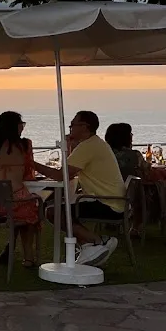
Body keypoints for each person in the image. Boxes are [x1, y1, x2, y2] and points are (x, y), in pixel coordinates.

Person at [33, 110, 123, 267]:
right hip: (114, 200)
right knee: (62, 207)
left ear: (84, 127)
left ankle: (98, 240)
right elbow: (67, 171)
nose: (70, 127)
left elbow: (61, 176)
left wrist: (31, 163)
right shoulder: (94, 144)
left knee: (54, 212)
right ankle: (89, 246)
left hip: (107, 203)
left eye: (73, 124)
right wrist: (70, 147)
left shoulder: (88, 147)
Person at [0, 111, 40, 268]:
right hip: (15, 201)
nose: (23, 127)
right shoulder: (25, 145)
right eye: (21, 123)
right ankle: (28, 257)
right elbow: (28, 174)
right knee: (30, 212)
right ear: (15, 126)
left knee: (18, 209)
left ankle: (11, 245)